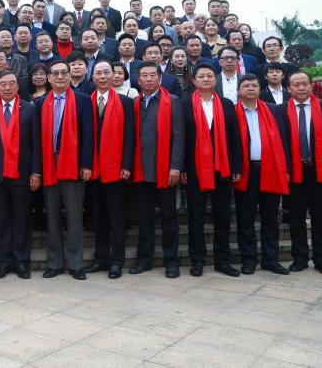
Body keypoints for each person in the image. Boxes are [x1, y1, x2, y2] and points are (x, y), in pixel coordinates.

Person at [181, 63, 242, 278]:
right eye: (201, 76)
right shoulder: (184, 104)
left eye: (209, 76)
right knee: (195, 218)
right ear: (194, 80)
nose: (206, 79)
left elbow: (235, 137)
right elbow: (181, 139)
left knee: (222, 217)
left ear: (215, 80)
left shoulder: (226, 104)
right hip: (195, 169)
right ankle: (197, 260)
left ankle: (222, 261)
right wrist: (182, 167)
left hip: (222, 168)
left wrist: (236, 166)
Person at [0, 71, 41, 279]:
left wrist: (36, 171)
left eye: (12, 84)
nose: (7, 88)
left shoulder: (29, 109)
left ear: (18, 86)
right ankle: (3, 262)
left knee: (22, 220)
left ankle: (21, 261)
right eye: (3, 84)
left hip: (22, 174)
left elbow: (36, 143)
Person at [36, 60, 94, 280]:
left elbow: (88, 134)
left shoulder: (82, 100)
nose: (60, 77)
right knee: (52, 218)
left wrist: (86, 164)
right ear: (49, 78)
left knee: (74, 218)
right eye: (55, 73)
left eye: (64, 73)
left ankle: (76, 264)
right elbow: (36, 139)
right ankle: (55, 263)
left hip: (73, 166)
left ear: (70, 76)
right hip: (49, 166)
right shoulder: (40, 103)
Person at [128, 62, 185, 278]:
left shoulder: (173, 101)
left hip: (165, 171)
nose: (149, 79)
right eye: (144, 75)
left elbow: (179, 137)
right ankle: (145, 260)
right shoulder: (135, 103)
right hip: (141, 171)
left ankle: (171, 261)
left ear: (160, 78)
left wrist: (175, 166)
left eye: (153, 75)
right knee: (144, 219)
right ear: (138, 80)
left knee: (169, 219)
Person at [284, 71, 322, 275]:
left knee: (320, 218)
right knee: (296, 219)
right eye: (296, 85)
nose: (301, 88)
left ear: (311, 86)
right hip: (294, 173)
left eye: (305, 84)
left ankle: (321, 259)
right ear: (289, 88)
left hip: (321, 172)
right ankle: (299, 258)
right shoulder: (281, 110)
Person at [233, 74, 291, 275]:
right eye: (246, 85)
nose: (250, 88)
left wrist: (286, 169)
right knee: (245, 218)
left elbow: (284, 139)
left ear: (260, 88)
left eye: (254, 85)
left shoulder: (274, 110)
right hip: (245, 171)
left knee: (270, 218)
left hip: (271, 168)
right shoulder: (232, 112)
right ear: (238, 90)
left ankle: (271, 259)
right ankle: (248, 259)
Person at [83, 60, 134, 279]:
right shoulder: (86, 101)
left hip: (116, 169)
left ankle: (117, 261)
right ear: (92, 77)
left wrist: (126, 165)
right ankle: (100, 258)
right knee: (99, 217)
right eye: (99, 73)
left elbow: (130, 135)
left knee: (116, 217)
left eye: (106, 72)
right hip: (94, 169)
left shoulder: (125, 102)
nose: (103, 76)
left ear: (114, 75)